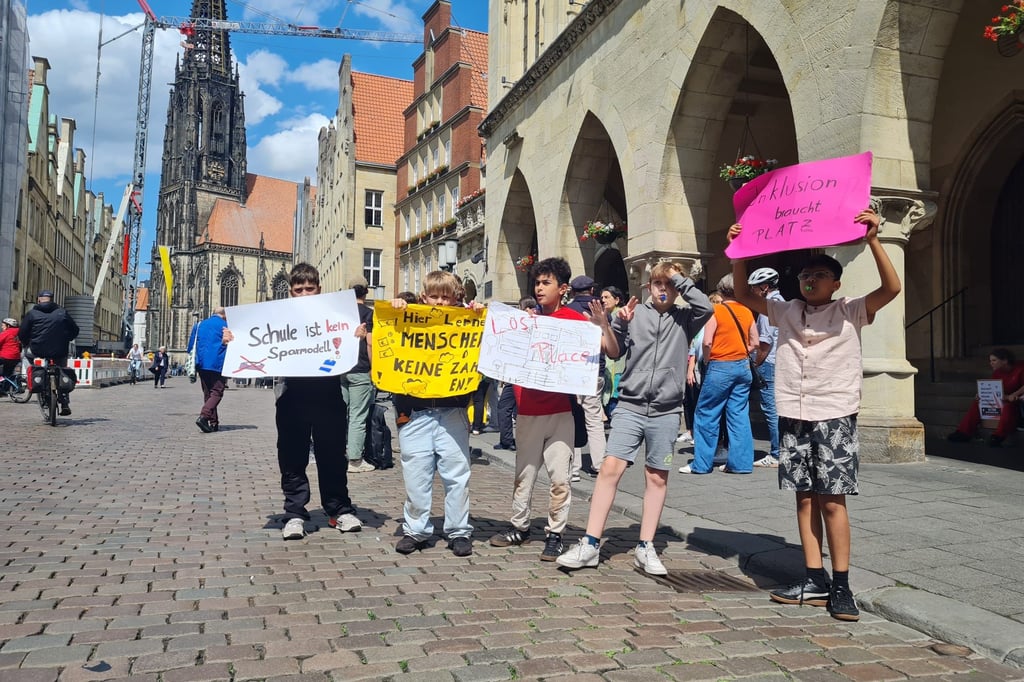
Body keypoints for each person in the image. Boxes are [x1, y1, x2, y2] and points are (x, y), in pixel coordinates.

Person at [730, 207, 901, 622]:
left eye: (818, 275)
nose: (808, 280)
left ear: (836, 283)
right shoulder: (786, 310)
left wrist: (874, 239)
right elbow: (742, 295)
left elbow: (891, 288)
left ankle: (841, 585)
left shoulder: (851, 310)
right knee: (804, 498)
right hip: (794, 412)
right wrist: (738, 252)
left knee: (832, 501)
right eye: (805, 275)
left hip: (834, 413)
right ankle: (813, 576)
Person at [557, 262, 712, 575]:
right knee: (609, 469)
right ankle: (590, 543)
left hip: (666, 410)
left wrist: (679, 279)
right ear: (648, 286)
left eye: (669, 285)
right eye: (658, 284)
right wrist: (610, 325)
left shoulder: (686, 318)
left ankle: (645, 545)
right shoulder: (633, 314)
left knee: (656, 477)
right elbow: (614, 353)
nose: (663, 290)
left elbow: (706, 305)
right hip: (630, 406)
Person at [490, 257, 620, 562]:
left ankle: (556, 533)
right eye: (536, 283)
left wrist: (604, 325)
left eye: (545, 282)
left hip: (561, 412)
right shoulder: (527, 320)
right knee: (524, 474)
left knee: (560, 477)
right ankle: (519, 526)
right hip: (528, 410)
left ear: (562, 289)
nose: (538, 288)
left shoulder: (575, 321)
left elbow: (612, 350)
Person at [390, 271, 483, 557]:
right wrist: (395, 311)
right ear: (423, 297)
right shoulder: (409, 320)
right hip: (415, 412)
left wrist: (479, 315)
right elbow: (385, 335)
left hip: (452, 411)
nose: (440, 302)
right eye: (434, 296)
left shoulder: (465, 323)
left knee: (457, 475)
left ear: (456, 299)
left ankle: (458, 531)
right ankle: (415, 529)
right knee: (416, 474)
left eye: (446, 296)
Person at [276, 263, 362, 541]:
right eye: (298, 290)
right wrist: (234, 339)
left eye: (309, 289)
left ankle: (339, 509)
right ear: (291, 292)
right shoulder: (279, 318)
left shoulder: (335, 315)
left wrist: (357, 336)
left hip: (327, 394)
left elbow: (350, 344)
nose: (303, 294)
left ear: (318, 290)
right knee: (292, 457)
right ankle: (294, 513)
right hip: (293, 396)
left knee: (332, 456)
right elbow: (256, 341)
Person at [685, 275, 759, 474]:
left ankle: (701, 464)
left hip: (720, 364)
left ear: (720, 291)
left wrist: (708, 360)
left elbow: (707, 342)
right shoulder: (747, 311)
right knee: (739, 414)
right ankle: (741, 464)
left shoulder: (715, 311)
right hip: (742, 366)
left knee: (706, 413)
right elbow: (755, 342)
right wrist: (742, 353)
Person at [567, 275, 609, 480]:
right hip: (595, 370)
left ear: (572, 292)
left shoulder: (567, 310)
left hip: (573, 370)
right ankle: (599, 463)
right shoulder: (600, 310)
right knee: (594, 418)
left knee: (572, 417)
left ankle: (572, 468)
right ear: (592, 290)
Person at [947, 348, 1024, 447]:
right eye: (990, 361)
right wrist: (983, 394)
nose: (991, 363)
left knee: (1008, 407)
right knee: (977, 403)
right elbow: (993, 387)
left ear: (1005, 360)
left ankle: (998, 436)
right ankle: (964, 432)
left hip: (1017, 401)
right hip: (1003, 398)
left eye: (994, 360)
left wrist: (1013, 395)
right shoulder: (997, 373)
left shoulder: (1020, 368)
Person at [18, 290, 79, 415]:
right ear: (52, 299)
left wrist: (25, 343)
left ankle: (34, 377)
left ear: (39, 299)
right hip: (59, 349)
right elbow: (75, 329)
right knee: (61, 369)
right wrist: (67, 338)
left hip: (37, 349)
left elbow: (22, 333)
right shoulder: (62, 312)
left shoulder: (32, 314)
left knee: (26, 356)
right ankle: (65, 402)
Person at [748, 267, 785, 467]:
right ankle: (782, 450)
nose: (752, 292)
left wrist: (755, 363)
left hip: (769, 363)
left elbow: (765, 342)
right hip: (781, 362)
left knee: (771, 409)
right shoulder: (784, 304)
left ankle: (777, 454)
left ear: (764, 287)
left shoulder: (768, 309)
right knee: (779, 409)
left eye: (754, 288)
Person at [342, 280, 378, 474]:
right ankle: (355, 460)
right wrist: (373, 369)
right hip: (360, 368)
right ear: (365, 293)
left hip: (341, 369)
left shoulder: (342, 313)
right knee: (357, 416)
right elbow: (370, 344)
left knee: (340, 414)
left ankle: (337, 453)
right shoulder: (369, 314)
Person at [493, 296, 537, 452]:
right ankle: (511, 439)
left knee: (507, 407)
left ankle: (509, 440)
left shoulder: (529, 324)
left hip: (519, 373)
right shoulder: (533, 323)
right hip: (521, 373)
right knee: (512, 407)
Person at [191, 308, 234, 433]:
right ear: (224, 315)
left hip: (201, 363)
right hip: (217, 363)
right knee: (217, 392)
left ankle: (213, 423)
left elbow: (191, 346)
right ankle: (204, 416)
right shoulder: (226, 326)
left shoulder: (199, 325)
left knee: (208, 393)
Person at [599, 287, 626, 424]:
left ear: (617, 299)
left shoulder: (621, 315)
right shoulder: (603, 316)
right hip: (609, 364)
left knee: (616, 399)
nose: (603, 300)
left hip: (620, 364)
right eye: (602, 297)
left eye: (607, 297)